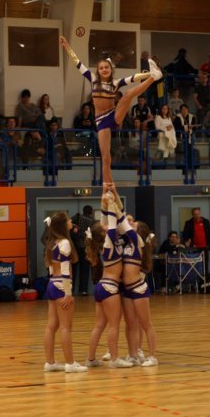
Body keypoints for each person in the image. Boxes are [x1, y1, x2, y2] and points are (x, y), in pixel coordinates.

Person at [60, 36, 159, 190]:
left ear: (110, 69)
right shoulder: (92, 79)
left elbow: (133, 78)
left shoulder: (115, 83)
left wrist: (146, 75)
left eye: (106, 67)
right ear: (98, 71)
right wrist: (67, 46)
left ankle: (154, 77)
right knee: (105, 157)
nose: (104, 70)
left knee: (127, 94)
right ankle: (108, 187)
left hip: (113, 115)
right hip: (101, 121)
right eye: (101, 68)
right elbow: (77, 63)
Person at [84, 200, 134, 369]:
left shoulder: (105, 244)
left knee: (100, 325)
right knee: (114, 324)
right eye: (103, 226)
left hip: (101, 286)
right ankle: (114, 359)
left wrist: (106, 201)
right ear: (103, 232)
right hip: (109, 287)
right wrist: (111, 205)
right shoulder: (109, 242)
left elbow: (108, 223)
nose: (105, 225)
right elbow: (111, 223)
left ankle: (90, 359)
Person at [115, 192, 159, 367]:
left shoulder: (138, 241)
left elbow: (122, 221)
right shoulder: (127, 244)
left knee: (146, 324)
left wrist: (114, 204)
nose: (130, 224)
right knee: (130, 324)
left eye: (134, 224)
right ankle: (133, 355)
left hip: (138, 288)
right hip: (127, 290)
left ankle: (152, 356)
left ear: (139, 232)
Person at [42, 212, 87, 373]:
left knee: (51, 326)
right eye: (68, 219)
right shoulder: (65, 243)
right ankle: (70, 363)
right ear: (63, 224)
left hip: (52, 284)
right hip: (62, 286)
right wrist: (68, 293)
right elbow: (66, 270)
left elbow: (50, 268)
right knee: (66, 328)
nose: (71, 221)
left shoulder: (52, 242)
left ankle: (50, 362)